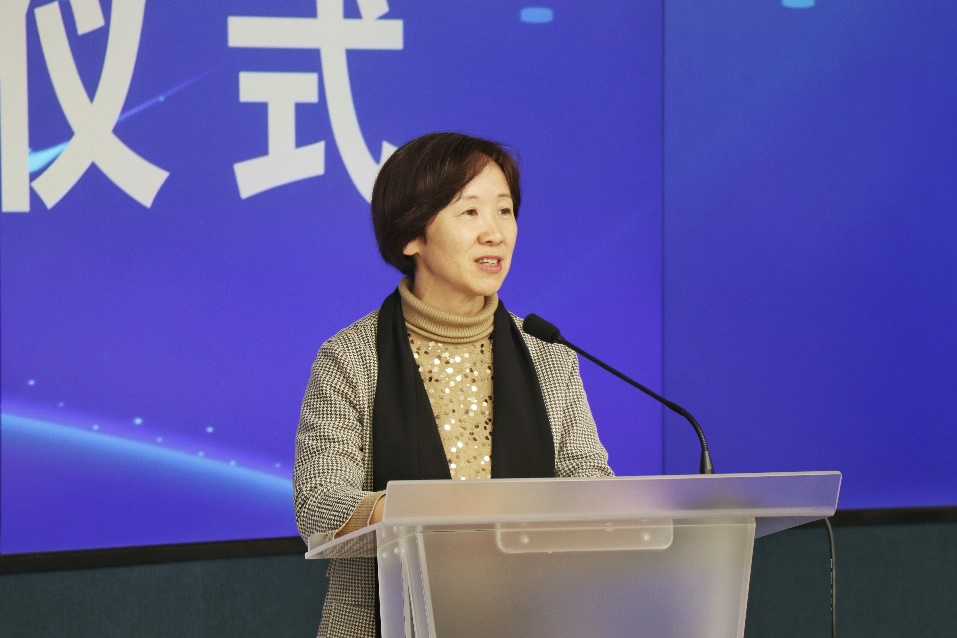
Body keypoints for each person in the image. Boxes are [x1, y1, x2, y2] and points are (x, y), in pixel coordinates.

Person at [293, 132, 613, 638]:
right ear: (411, 236)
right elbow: (319, 503)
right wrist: (428, 511)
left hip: (530, 618)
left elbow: (590, 483)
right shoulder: (351, 357)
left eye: (504, 211)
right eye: (470, 212)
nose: (495, 233)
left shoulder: (547, 355)